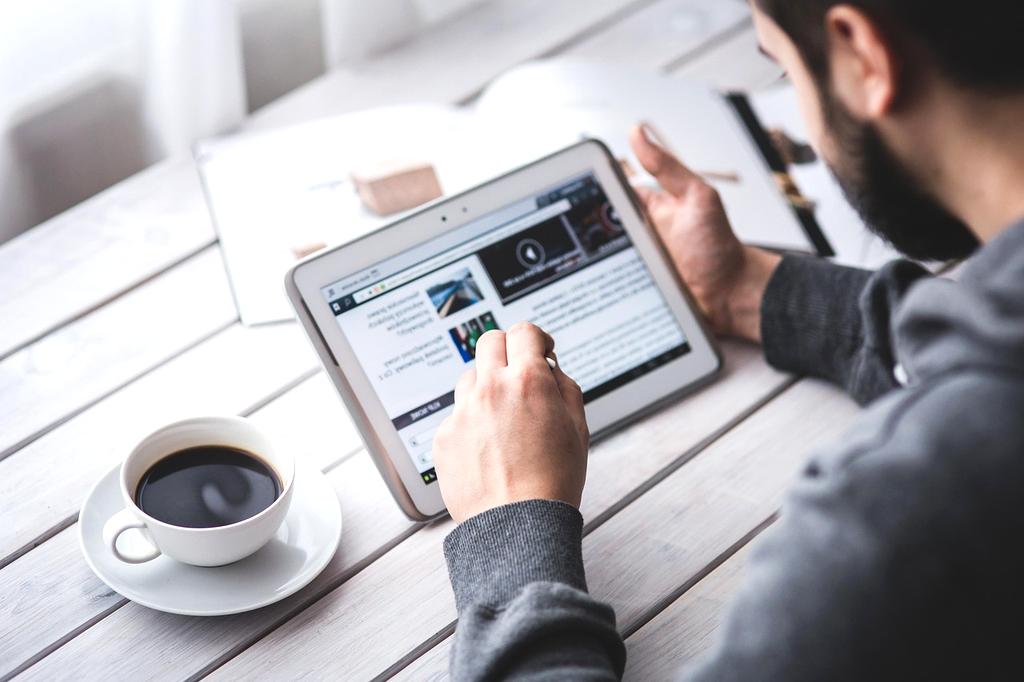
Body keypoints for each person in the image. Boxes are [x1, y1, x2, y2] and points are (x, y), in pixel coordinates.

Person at [432, 0, 1024, 678]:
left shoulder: (900, 522)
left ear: (861, 53)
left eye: (785, 71)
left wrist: (512, 527)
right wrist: (749, 289)